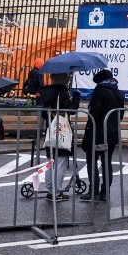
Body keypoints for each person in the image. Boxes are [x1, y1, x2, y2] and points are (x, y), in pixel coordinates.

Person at [80, 69, 124, 201]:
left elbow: (94, 115)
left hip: (97, 133)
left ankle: (93, 190)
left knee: (92, 162)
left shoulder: (99, 91)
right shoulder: (118, 93)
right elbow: (120, 115)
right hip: (112, 134)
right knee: (107, 162)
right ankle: (106, 191)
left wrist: (88, 130)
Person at [38, 72, 79, 202]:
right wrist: (76, 98)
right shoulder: (62, 93)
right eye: (66, 76)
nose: (68, 79)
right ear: (62, 78)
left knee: (50, 162)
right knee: (61, 162)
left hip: (50, 130)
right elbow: (71, 110)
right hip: (62, 132)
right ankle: (56, 192)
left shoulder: (46, 93)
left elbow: (44, 114)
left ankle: (50, 190)